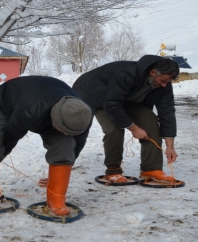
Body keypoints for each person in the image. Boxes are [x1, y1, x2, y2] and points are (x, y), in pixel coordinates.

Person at [0, 76, 93, 216]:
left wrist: (66, 165)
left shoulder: (82, 114)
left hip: (51, 99)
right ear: (55, 121)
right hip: (11, 98)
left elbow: (77, 145)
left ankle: (56, 200)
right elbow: (12, 133)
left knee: (65, 146)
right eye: (63, 130)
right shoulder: (32, 109)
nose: (66, 134)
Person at [72, 55, 180, 184]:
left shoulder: (164, 84)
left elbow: (167, 112)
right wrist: (134, 128)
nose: (164, 85)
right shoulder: (126, 74)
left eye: (167, 82)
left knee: (150, 122)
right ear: (153, 72)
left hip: (126, 99)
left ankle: (151, 170)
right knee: (114, 129)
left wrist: (170, 146)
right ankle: (113, 171)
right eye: (162, 81)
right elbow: (112, 104)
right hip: (97, 95)